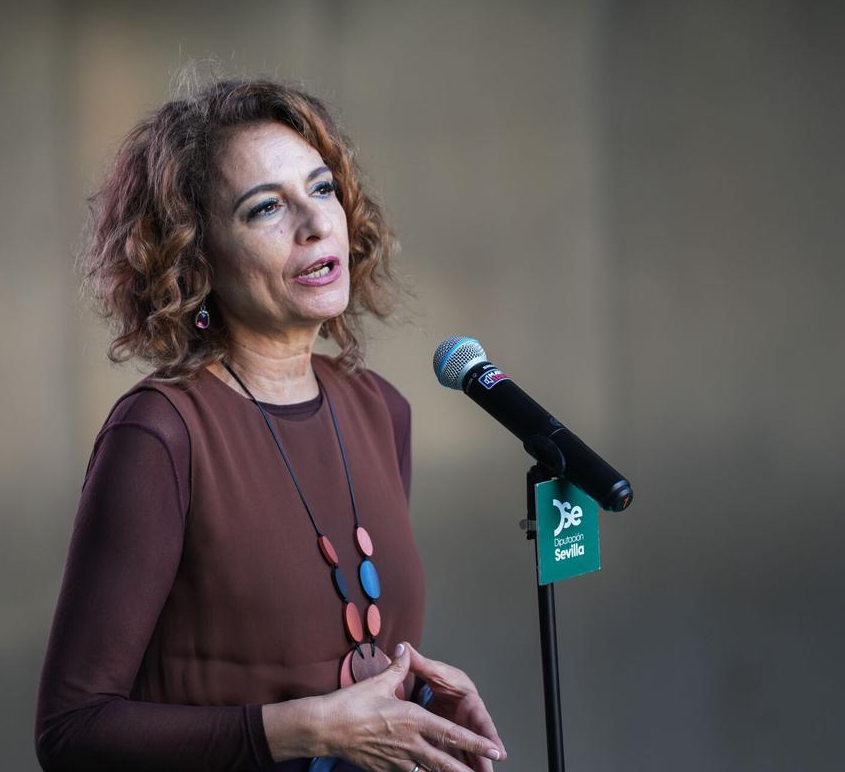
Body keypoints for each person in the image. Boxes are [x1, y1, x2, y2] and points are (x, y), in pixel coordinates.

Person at [34, 79, 507, 772]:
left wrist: (421, 705)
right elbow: (71, 732)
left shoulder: (380, 410)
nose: (315, 224)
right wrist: (306, 730)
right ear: (195, 257)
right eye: (266, 208)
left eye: (322, 189)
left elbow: (321, 661)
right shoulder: (160, 435)